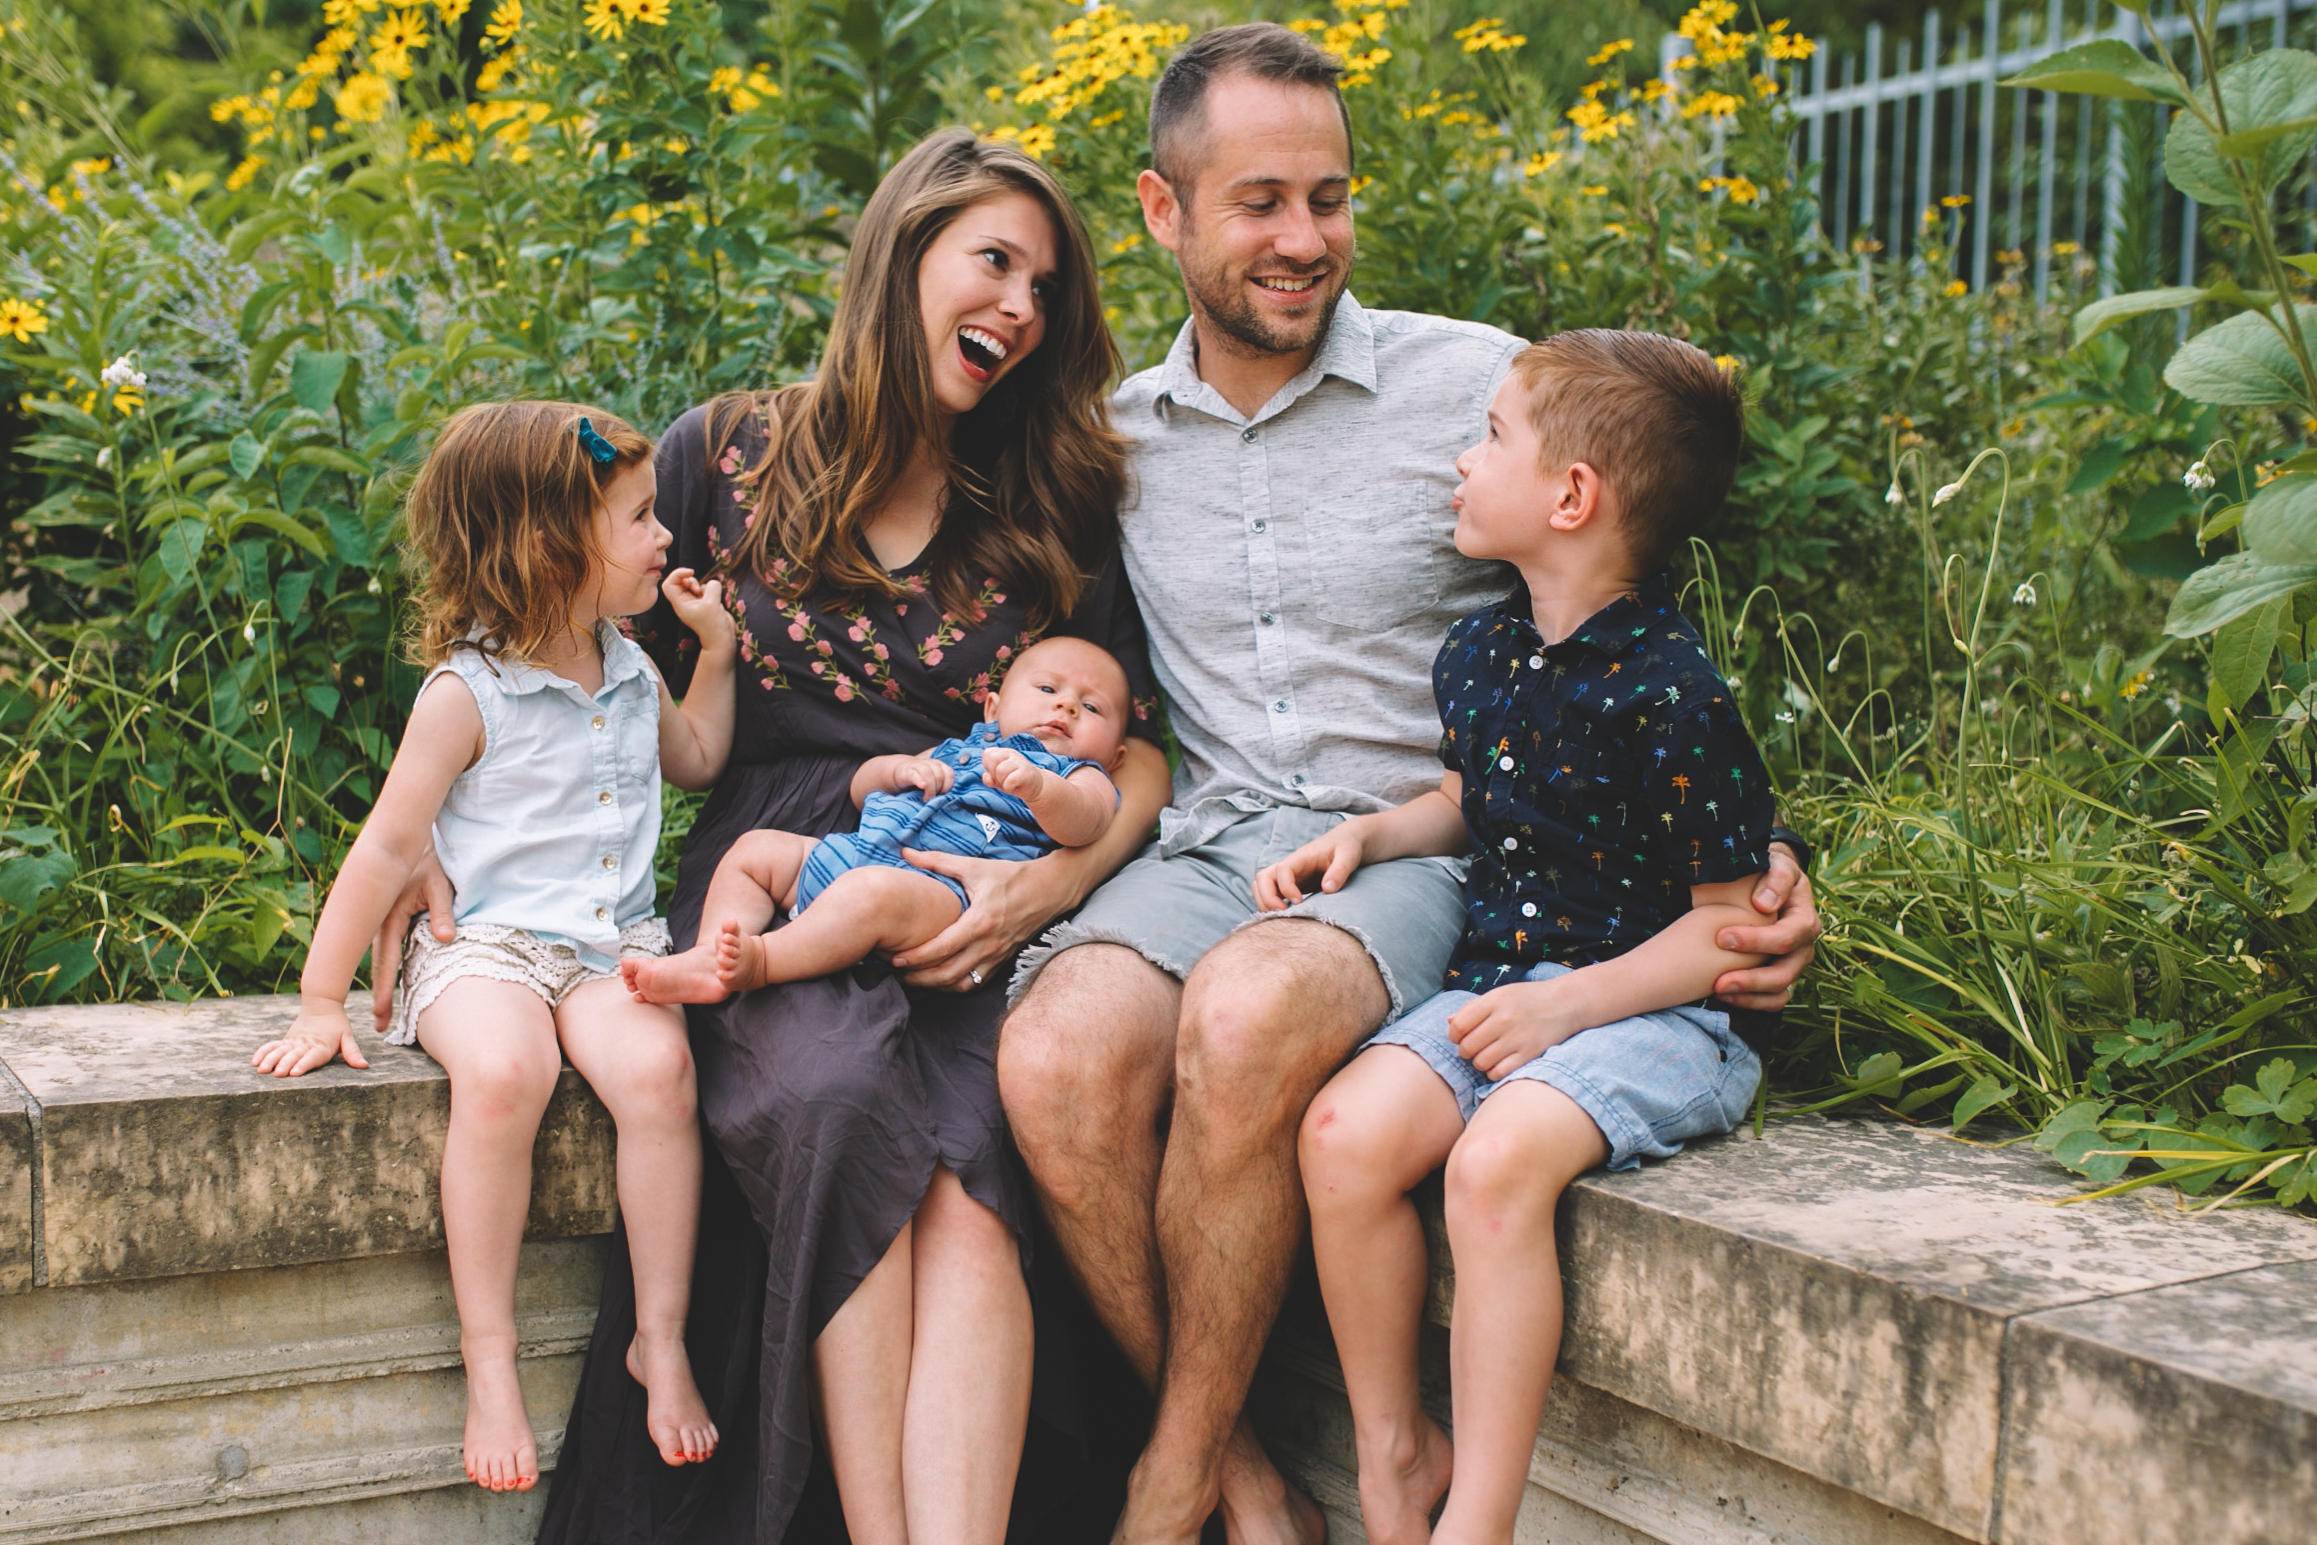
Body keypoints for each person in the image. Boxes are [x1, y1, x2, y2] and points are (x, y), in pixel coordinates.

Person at [995, 24, 1823, 1545]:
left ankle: (1165, 1495)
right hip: (1217, 845)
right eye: (1258, 202)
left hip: (1432, 846)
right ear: (1165, 211)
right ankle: (1241, 1472)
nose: (1302, 239)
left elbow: (1623, 620)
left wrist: (1757, 850)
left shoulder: (1475, 388)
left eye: (1330, 196)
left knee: (1241, 1023)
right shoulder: (1108, 438)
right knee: (1055, 1060)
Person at [361, 132, 1165, 1545]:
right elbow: (549, 649)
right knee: (830, 1105)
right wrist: (418, 836)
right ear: (899, 257)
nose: (1022, 306)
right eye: (993, 261)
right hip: (772, 865)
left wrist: (1055, 877)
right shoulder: (727, 454)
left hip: (976, 867)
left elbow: (1143, 746)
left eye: (1046, 284)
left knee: (977, 1162)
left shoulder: (1048, 498)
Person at [1273, 330, 1771, 1545]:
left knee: (1493, 1165)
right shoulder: (1481, 653)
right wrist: (1375, 838)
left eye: (1490, 436)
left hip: (1656, 1018)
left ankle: (1477, 1524)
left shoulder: (1673, 692)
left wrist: (1568, 1006)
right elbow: (1474, 799)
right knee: (1341, 1137)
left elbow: (1726, 935)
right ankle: (1398, 1463)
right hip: (1505, 993)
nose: (1461, 457)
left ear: (1570, 495)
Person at [250, 402, 735, 1494]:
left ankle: (658, 1336)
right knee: (509, 1072)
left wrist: (715, 652)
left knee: (659, 1073)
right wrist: (322, 1001)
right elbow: (384, 852)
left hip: (607, 948)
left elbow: (698, 757)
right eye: (642, 519)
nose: (668, 538)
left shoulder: (625, 664)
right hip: (486, 949)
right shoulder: (467, 695)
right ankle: (490, 1360)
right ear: (550, 544)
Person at [624, 634, 1131, 1004]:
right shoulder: (962, 749)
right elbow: (861, 789)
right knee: (755, 851)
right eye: (1047, 688)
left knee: (870, 895)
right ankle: (709, 958)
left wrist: (1041, 788)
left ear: (1116, 755)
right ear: (993, 708)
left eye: (1091, 706)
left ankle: (764, 960)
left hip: (940, 894)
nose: (1066, 704)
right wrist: (899, 768)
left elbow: (1083, 824)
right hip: (857, 851)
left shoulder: (1085, 776)